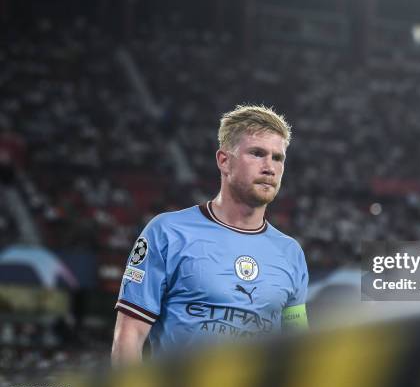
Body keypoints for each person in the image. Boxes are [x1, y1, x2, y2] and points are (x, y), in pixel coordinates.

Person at [111, 105, 309, 365]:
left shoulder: (291, 253)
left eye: (277, 158)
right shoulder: (168, 232)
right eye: (257, 153)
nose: (269, 167)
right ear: (224, 161)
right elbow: (128, 338)